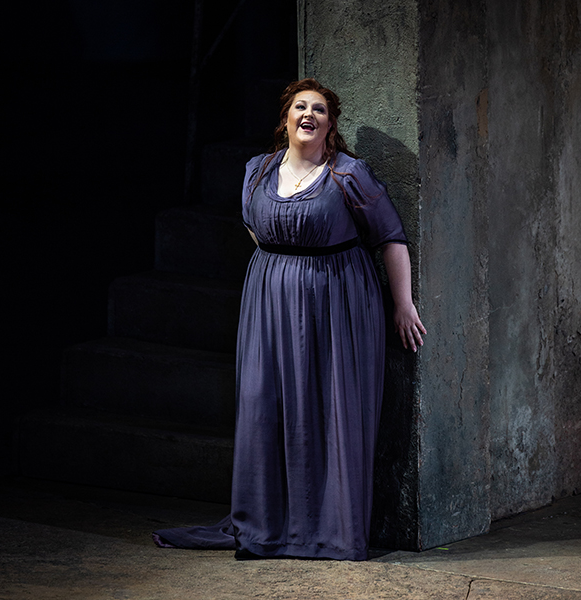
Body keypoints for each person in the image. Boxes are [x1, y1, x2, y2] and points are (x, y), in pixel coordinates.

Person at [153, 78, 426, 561]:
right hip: (269, 304)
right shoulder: (258, 171)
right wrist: (281, 269)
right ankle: (268, 526)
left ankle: (329, 531)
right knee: (265, 405)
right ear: (285, 120)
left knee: (332, 409)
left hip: (338, 304)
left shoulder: (348, 174)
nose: (309, 115)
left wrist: (402, 304)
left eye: (319, 109)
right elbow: (254, 228)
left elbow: (390, 237)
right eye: (300, 107)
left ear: (330, 125)